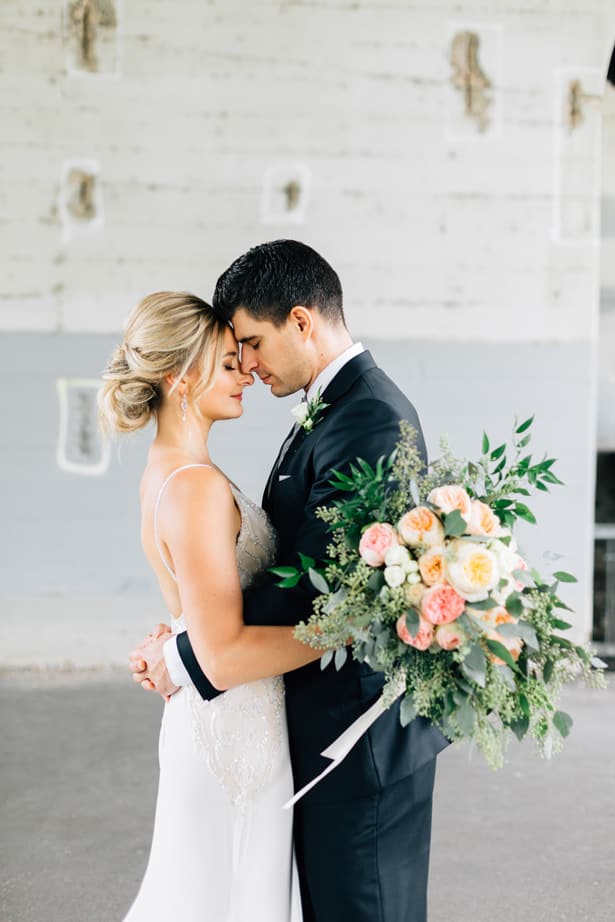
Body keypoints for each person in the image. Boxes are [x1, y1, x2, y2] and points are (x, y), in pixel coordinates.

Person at [131, 241, 449, 922]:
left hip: (358, 737)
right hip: (294, 724)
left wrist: (186, 652)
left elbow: (326, 593)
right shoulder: (330, 410)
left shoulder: (365, 416)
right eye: (232, 356)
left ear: (300, 321)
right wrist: (192, 633)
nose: (247, 365)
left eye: (250, 343)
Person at [99, 291, 318, 921]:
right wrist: (347, 630)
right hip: (232, 732)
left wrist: (173, 644)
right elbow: (221, 656)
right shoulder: (193, 485)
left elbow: (200, 617)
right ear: (180, 377)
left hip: (231, 719)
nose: (246, 371)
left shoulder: (174, 469)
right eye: (227, 363)